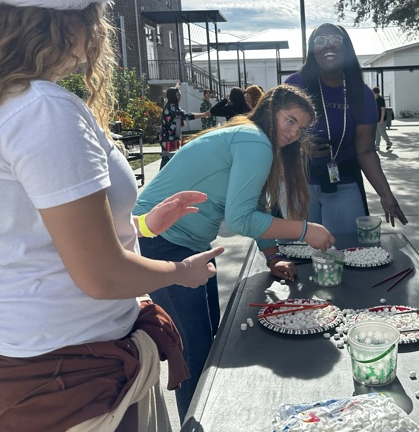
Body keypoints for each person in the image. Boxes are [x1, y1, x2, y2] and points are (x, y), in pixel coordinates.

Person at [0, 0, 224, 430]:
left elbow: (33, 234)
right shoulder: (42, 109)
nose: (100, 32)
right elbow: (100, 274)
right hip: (75, 371)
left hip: (36, 355)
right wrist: (181, 272)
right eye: (96, 16)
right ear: (67, 17)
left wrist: (143, 226)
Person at [134, 84, 336, 421]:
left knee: (210, 341)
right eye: (289, 121)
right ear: (270, 110)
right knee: (194, 351)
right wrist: (305, 230)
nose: (293, 133)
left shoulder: (252, 137)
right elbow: (242, 219)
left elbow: (254, 205)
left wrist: (272, 256)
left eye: (300, 129)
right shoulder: (254, 141)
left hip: (190, 244)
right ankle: (195, 425)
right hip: (165, 241)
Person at [286, 23, 408, 234]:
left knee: (346, 252)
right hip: (298, 182)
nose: (328, 45)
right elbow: (275, 136)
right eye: (320, 41)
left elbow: (366, 151)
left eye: (336, 39)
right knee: (299, 254)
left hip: (344, 181)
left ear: (347, 47)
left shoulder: (362, 94)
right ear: (312, 50)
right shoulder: (295, 85)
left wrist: (386, 194)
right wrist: (302, 146)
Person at [160, 86, 207, 169]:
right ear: (173, 96)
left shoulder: (172, 106)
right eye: (178, 95)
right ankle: (162, 180)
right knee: (168, 161)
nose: (180, 97)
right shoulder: (172, 107)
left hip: (171, 137)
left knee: (170, 160)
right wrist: (204, 115)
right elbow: (185, 116)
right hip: (168, 138)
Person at [372, 87, 393, 151]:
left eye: (374, 93)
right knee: (377, 133)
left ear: (377, 93)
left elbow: (383, 110)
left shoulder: (381, 100)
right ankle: (377, 145)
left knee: (382, 132)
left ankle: (389, 143)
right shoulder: (373, 99)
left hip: (382, 119)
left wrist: (382, 119)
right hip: (375, 119)